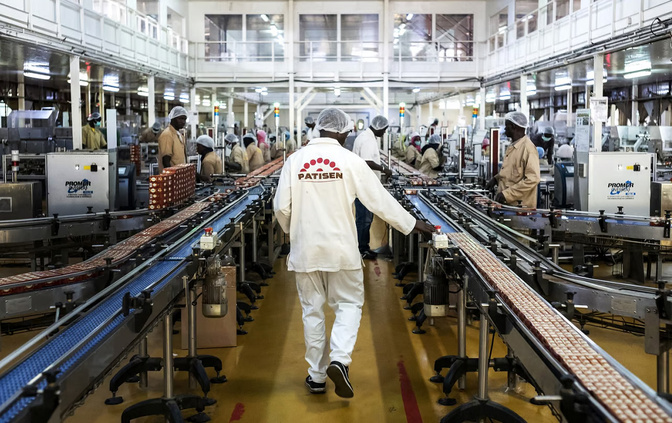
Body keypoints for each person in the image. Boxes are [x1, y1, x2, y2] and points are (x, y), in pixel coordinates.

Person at [273, 107, 434, 399]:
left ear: (320, 129)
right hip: (341, 250)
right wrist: (413, 224)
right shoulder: (350, 161)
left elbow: (281, 207)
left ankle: (317, 377)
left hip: (306, 251)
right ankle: (340, 360)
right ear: (344, 132)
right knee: (348, 305)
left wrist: (293, 231)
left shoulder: (295, 161)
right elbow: (379, 200)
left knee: (312, 312)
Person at [352, 115, 393, 260]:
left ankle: (363, 247)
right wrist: (384, 169)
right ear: (379, 127)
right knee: (364, 219)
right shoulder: (368, 140)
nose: (384, 133)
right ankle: (362, 249)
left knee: (364, 218)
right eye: (384, 130)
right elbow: (367, 162)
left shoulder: (366, 137)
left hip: (364, 183)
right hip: (364, 185)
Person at [485, 111, 540, 208]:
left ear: (514, 126)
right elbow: (510, 172)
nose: (505, 129)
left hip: (520, 208)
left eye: (507, 126)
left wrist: (507, 194)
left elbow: (532, 179)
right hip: (507, 206)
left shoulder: (528, 149)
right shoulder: (513, 147)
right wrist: (496, 179)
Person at [158, 106, 188, 172]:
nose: (183, 122)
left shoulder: (179, 135)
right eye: (180, 119)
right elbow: (166, 161)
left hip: (179, 176)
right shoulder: (167, 135)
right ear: (173, 118)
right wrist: (172, 177)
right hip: (172, 177)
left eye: (184, 119)